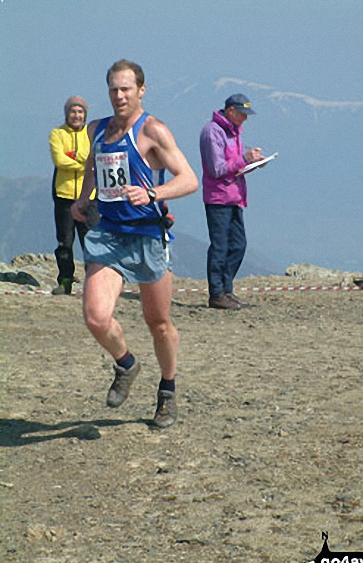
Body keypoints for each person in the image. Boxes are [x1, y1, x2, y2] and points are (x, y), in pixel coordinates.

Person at [71, 59, 198, 428]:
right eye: (113, 89)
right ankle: (126, 364)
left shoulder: (153, 130)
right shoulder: (97, 129)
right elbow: (93, 166)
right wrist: (84, 198)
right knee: (96, 317)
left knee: (157, 322)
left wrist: (153, 193)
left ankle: (168, 391)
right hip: (109, 235)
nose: (119, 95)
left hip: (147, 236)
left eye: (126, 88)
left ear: (141, 90)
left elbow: (189, 179)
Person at [200, 93, 264, 310]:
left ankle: (227, 289)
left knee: (238, 245)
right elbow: (217, 169)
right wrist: (245, 159)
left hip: (235, 196)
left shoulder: (234, 132)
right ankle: (216, 293)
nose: (245, 119)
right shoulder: (212, 132)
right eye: (242, 114)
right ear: (231, 112)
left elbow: (233, 166)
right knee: (220, 247)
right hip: (218, 198)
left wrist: (253, 163)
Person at [49, 96, 99, 295]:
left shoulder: (91, 135)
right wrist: (84, 163)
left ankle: (93, 284)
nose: (76, 115)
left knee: (92, 241)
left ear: (85, 115)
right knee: (65, 241)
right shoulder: (57, 134)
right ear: (66, 113)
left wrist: (75, 157)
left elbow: (95, 159)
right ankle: (65, 280)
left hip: (90, 197)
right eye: (73, 111)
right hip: (64, 196)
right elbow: (59, 160)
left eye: (80, 112)